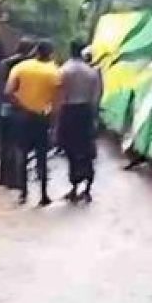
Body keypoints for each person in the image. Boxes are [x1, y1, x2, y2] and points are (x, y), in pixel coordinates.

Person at [7, 39, 61, 206]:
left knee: (22, 154)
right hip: (42, 118)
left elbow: (8, 91)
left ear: (36, 51)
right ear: (51, 53)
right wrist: (54, 122)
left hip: (22, 117)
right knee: (42, 157)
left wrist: (21, 106)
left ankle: (23, 193)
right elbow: (57, 102)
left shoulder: (21, 67)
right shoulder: (54, 72)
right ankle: (43, 195)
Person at [56, 42, 103, 203]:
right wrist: (94, 117)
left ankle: (74, 186)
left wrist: (56, 118)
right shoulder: (92, 72)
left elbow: (60, 95)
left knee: (70, 149)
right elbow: (96, 97)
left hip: (69, 111)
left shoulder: (64, 70)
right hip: (86, 112)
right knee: (87, 149)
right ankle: (88, 188)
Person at [0, 37, 35, 189]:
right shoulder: (25, 66)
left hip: (1, 106)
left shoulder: (3, 64)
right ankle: (17, 179)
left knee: (5, 144)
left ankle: (4, 178)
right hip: (18, 108)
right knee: (19, 144)